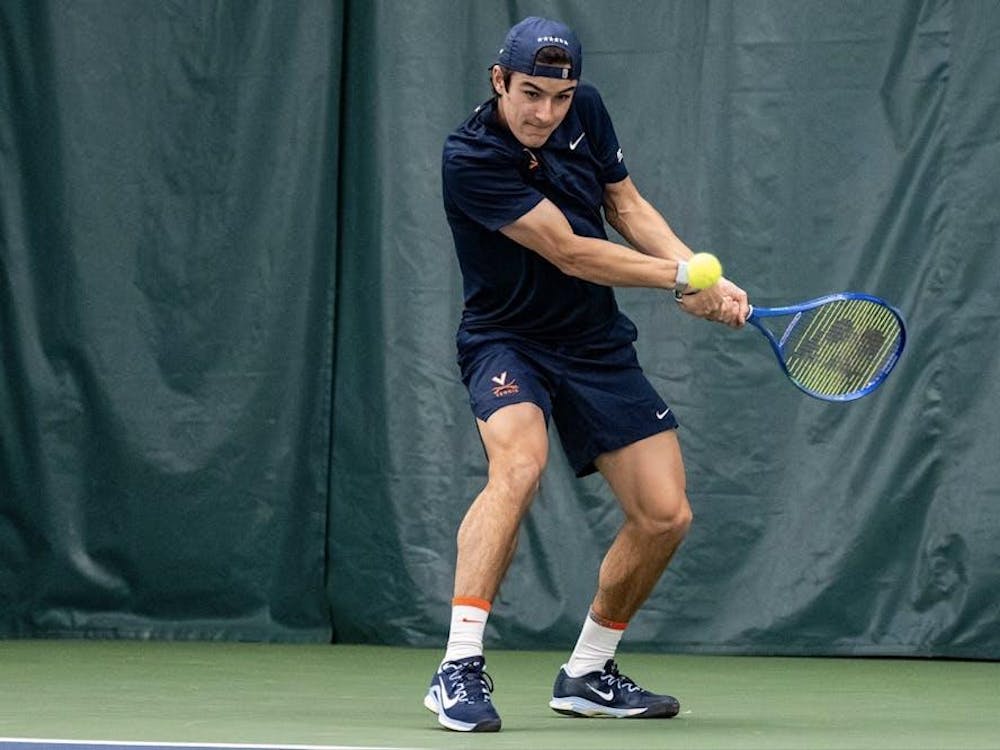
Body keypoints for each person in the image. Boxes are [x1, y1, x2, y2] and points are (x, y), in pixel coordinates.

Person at [423, 16, 749, 733]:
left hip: (594, 345)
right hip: (507, 341)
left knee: (665, 515)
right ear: (499, 81)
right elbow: (570, 252)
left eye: (561, 97)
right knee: (518, 466)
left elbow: (624, 204)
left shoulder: (587, 113)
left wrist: (700, 274)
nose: (546, 113)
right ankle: (458, 666)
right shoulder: (470, 157)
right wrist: (679, 278)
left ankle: (589, 673)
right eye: (531, 93)